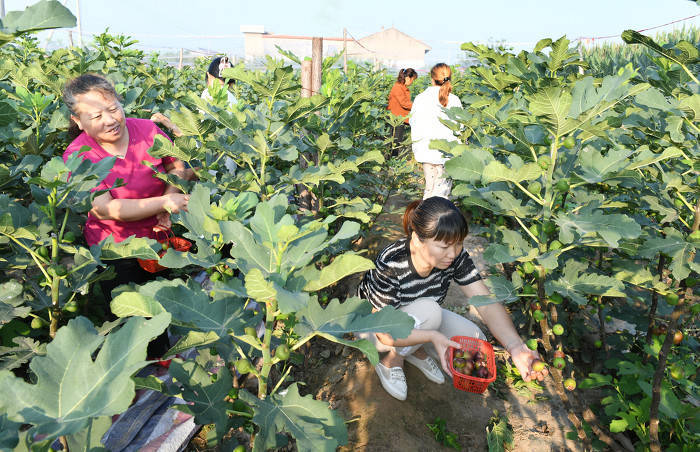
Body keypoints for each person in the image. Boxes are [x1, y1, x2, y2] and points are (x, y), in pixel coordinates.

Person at [357, 197, 546, 400]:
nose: (452, 253)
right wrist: (432, 336)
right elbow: (385, 333)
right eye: (444, 246)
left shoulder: (454, 256)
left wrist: (515, 347)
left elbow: (486, 303)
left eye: (458, 244)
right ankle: (391, 361)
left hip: (419, 319)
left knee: (475, 340)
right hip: (373, 329)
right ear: (417, 239)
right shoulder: (391, 263)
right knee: (430, 312)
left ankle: (414, 349)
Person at [62, 73, 192, 306]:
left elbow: (175, 165)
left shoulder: (148, 130)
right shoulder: (78, 154)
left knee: (161, 306)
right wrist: (162, 204)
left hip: (157, 239)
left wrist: (169, 194)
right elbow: (104, 208)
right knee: (130, 315)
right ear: (78, 121)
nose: (110, 120)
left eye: (113, 109)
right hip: (116, 249)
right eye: (96, 116)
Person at [409, 63, 461, 199]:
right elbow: (461, 127)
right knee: (443, 193)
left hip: (427, 150)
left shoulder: (420, 98)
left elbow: (412, 122)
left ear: (432, 78)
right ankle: (440, 218)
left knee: (429, 190)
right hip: (447, 153)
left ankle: (425, 217)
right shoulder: (454, 100)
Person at [387, 68, 417, 157]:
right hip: (395, 118)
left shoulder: (401, 87)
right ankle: (391, 161)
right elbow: (404, 103)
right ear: (408, 78)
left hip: (399, 117)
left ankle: (392, 161)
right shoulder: (398, 87)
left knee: (395, 140)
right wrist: (417, 105)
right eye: (412, 79)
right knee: (395, 141)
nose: (412, 82)